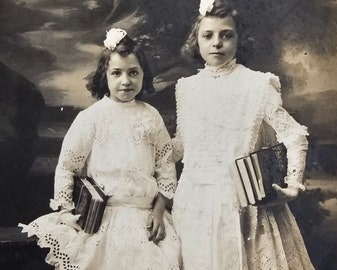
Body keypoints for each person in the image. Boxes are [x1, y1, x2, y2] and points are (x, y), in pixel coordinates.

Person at [19, 28, 181, 270]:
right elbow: (67, 165)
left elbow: (166, 167)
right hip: (104, 217)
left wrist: (158, 211)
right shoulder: (91, 118)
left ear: (143, 75)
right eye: (117, 73)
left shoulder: (151, 116)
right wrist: (65, 211)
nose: (126, 80)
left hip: (145, 216)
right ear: (104, 76)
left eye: (133, 72)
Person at [171, 0, 315, 269]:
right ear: (196, 41)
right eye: (208, 35)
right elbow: (182, 145)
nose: (217, 43)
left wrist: (293, 186)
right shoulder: (186, 89)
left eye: (226, 35)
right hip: (194, 204)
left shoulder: (257, 85)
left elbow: (295, 136)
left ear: (239, 40)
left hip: (243, 204)